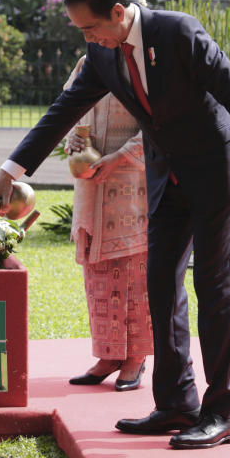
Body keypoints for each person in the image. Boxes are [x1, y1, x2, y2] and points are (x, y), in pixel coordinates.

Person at [0, 0, 230, 450]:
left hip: (215, 172)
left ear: (118, 12)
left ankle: (223, 412)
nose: (87, 39)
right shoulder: (101, 53)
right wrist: (12, 169)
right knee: (160, 285)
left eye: (89, 28)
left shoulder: (178, 31)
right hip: (165, 178)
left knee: (213, 289)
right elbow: (64, 109)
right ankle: (177, 403)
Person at [62, 55, 153, 391]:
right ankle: (109, 354)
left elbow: (161, 125)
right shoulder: (89, 63)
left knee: (136, 273)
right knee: (98, 273)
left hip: (133, 185)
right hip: (92, 184)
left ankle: (136, 357)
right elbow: (70, 109)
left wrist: (121, 158)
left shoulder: (144, 66)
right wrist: (73, 139)